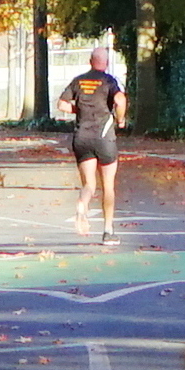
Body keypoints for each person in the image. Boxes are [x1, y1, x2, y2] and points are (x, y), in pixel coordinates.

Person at [57, 46, 127, 246]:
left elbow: (62, 104)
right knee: (108, 186)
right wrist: (120, 120)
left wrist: (79, 109)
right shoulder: (109, 81)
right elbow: (120, 100)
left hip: (82, 137)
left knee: (88, 184)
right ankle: (108, 231)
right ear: (105, 63)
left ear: (90, 61)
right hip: (104, 138)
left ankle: (82, 204)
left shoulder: (79, 80)